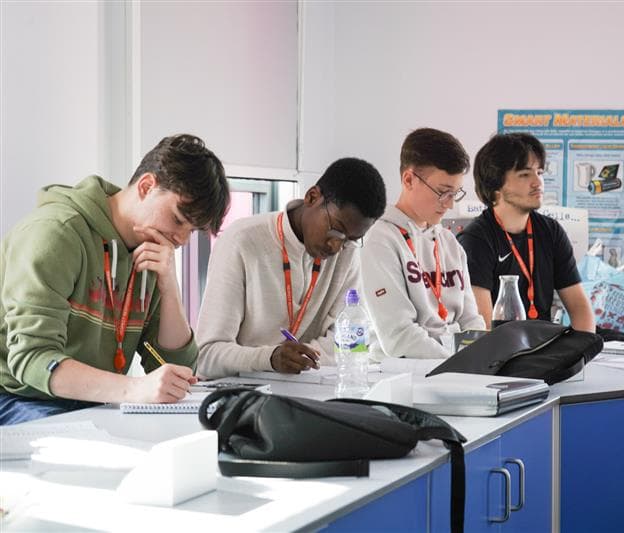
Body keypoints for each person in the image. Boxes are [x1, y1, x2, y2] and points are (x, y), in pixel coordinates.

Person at [0, 134, 230, 425]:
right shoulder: (55, 233)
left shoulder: (151, 252)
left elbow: (176, 371)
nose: (181, 240)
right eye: (178, 219)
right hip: (16, 397)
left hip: (90, 404)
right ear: (147, 186)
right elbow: (32, 360)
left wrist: (170, 287)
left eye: (192, 231)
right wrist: (133, 389)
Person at [196, 158, 386, 377]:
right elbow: (207, 355)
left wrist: (301, 359)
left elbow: (348, 340)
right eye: (336, 230)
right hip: (241, 394)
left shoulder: (346, 253)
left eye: (351, 239)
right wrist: (270, 358)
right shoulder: (242, 241)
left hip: (307, 391)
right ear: (312, 197)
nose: (336, 246)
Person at [361, 128, 486, 360]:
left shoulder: (449, 243)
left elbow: (470, 320)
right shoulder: (379, 240)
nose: (449, 205)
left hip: (454, 373)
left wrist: (485, 360)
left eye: (455, 194)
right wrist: (457, 367)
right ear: (409, 179)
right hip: (402, 377)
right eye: (442, 192)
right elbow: (399, 337)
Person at [457, 132, 595, 332]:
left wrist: (583, 352)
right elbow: (482, 327)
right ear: (496, 185)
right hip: (502, 351)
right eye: (525, 174)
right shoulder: (476, 239)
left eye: (539, 172)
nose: (538, 183)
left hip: (544, 348)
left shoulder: (551, 231)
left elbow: (580, 308)